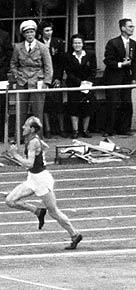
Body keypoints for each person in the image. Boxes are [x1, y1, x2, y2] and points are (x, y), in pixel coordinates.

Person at [4, 116, 83, 250]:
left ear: (32, 129)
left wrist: (15, 155)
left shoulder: (33, 142)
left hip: (41, 180)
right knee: (10, 201)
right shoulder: (33, 139)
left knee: (53, 212)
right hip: (33, 178)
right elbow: (45, 147)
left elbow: (29, 163)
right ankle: (38, 211)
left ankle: (74, 234)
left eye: (26, 125)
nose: (23, 127)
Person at [10, 20, 53, 137]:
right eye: (27, 32)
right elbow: (13, 64)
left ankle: (38, 137)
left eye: (31, 32)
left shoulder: (42, 47)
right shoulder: (18, 47)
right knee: (21, 111)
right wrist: (16, 74)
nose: (29, 35)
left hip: (37, 81)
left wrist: (46, 82)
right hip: (22, 81)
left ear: (35, 33)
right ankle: (19, 137)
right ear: (23, 34)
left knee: (37, 111)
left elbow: (48, 66)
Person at [103, 18, 136, 137]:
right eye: (130, 26)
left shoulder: (133, 43)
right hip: (113, 77)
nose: (132, 29)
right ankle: (109, 129)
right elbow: (107, 60)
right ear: (123, 28)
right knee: (113, 103)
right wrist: (120, 64)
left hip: (126, 77)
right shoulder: (113, 43)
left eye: (132, 27)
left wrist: (134, 77)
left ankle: (124, 128)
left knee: (127, 102)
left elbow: (135, 62)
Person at [64, 34, 97, 139]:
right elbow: (68, 72)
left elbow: (93, 70)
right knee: (74, 108)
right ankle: (75, 131)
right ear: (72, 44)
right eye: (75, 43)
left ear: (83, 44)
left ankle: (85, 130)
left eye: (79, 43)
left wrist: (87, 83)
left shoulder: (91, 54)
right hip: (74, 85)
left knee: (87, 108)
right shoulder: (68, 56)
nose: (77, 45)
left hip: (88, 85)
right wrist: (79, 82)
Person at [39, 20, 66, 139]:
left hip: (55, 77)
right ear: (42, 32)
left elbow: (61, 62)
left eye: (51, 30)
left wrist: (58, 78)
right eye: (47, 30)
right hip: (42, 77)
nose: (49, 32)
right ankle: (47, 129)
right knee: (45, 104)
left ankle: (61, 128)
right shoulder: (38, 43)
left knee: (58, 103)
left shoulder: (58, 42)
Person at [0, 27, 13, 141]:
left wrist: (3, 70)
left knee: (2, 105)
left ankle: (1, 135)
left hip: (1, 76)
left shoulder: (4, 35)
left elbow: (9, 56)